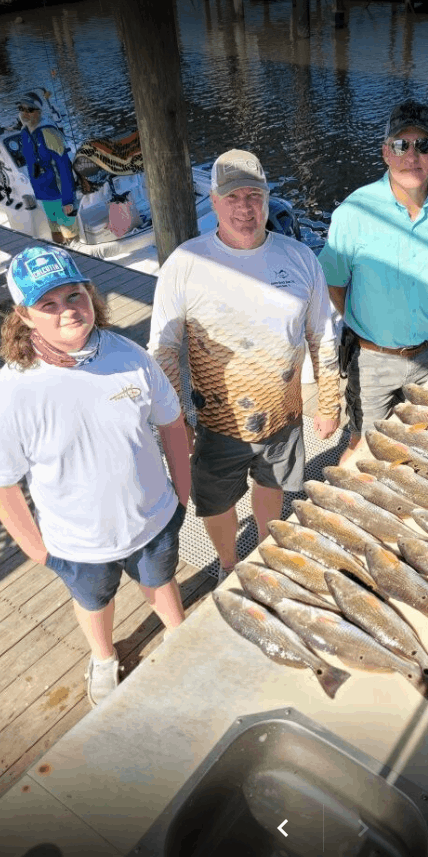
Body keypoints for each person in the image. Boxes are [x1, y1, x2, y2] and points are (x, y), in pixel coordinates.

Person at [0, 246, 191, 707]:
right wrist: (37, 549)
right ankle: (103, 656)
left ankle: (180, 635)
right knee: (94, 601)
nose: (67, 310)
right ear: (24, 316)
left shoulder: (131, 355)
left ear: (90, 295)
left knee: (161, 581)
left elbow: (172, 423)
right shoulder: (8, 394)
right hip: (76, 544)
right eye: (48, 304)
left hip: (154, 519)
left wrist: (181, 495)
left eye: (74, 295)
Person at [148, 148, 341, 581]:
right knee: (215, 502)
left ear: (268, 199)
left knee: (273, 487)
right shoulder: (185, 263)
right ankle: (228, 563)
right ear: (214, 201)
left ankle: (265, 552)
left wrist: (329, 403)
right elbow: (164, 349)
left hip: (285, 416)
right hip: (217, 421)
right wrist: (176, 422)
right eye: (233, 197)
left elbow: (322, 335)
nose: (245, 208)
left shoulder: (300, 258)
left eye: (254, 196)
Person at [318, 98, 428, 463]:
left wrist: (424, 308)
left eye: (423, 145)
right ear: (385, 152)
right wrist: (365, 329)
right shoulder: (354, 211)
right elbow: (333, 282)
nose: (412, 156)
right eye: (401, 145)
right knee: (363, 449)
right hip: (371, 360)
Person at [17, 91, 78, 245]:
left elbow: (64, 167)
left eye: (30, 109)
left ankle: (77, 252)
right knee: (55, 230)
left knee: (70, 234)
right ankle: (59, 248)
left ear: (39, 112)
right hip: (43, 192)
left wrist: (68, 200)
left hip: (59, 193)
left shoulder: (49, 133)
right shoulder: (24, 132)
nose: (24, 113)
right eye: (21, 109)